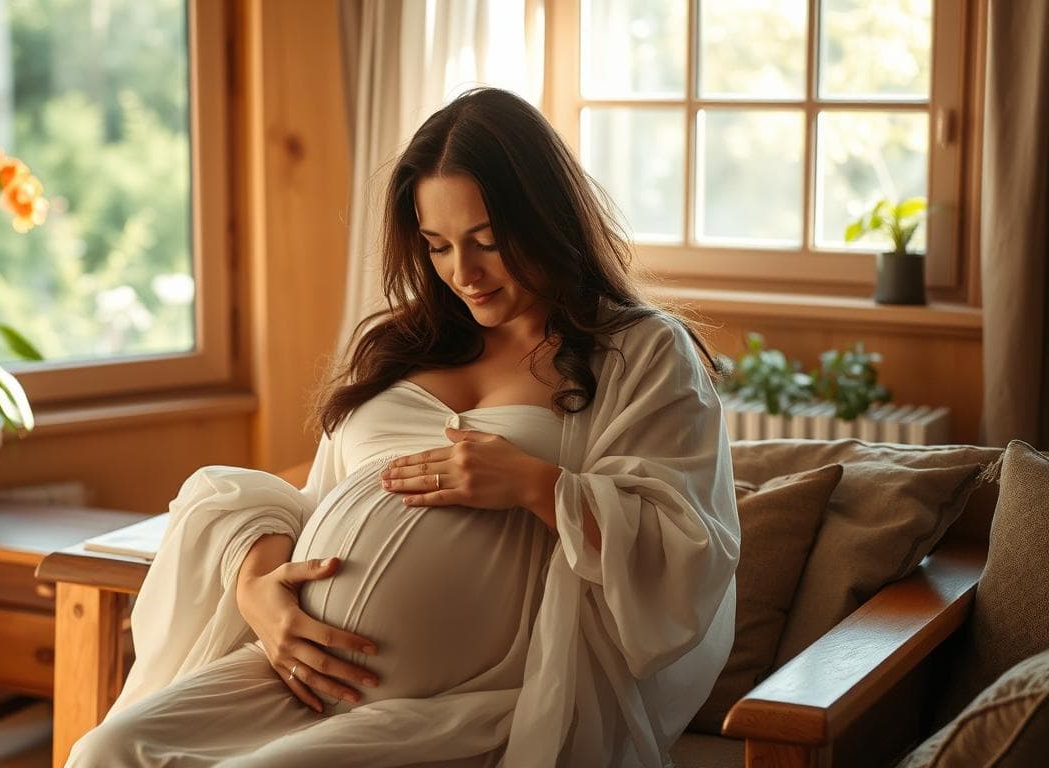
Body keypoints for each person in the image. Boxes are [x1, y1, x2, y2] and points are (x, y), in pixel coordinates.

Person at [66, 87, 740, 768]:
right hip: (300, 670)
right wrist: (257, 589)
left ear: (546, 219)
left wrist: (537, 485)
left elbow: (688, 551)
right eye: (438, 245)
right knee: (108, 750)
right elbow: (317, 503)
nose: (463, 274)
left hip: (464, 703)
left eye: (486, 242)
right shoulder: (400, 345)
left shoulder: (642, 352)